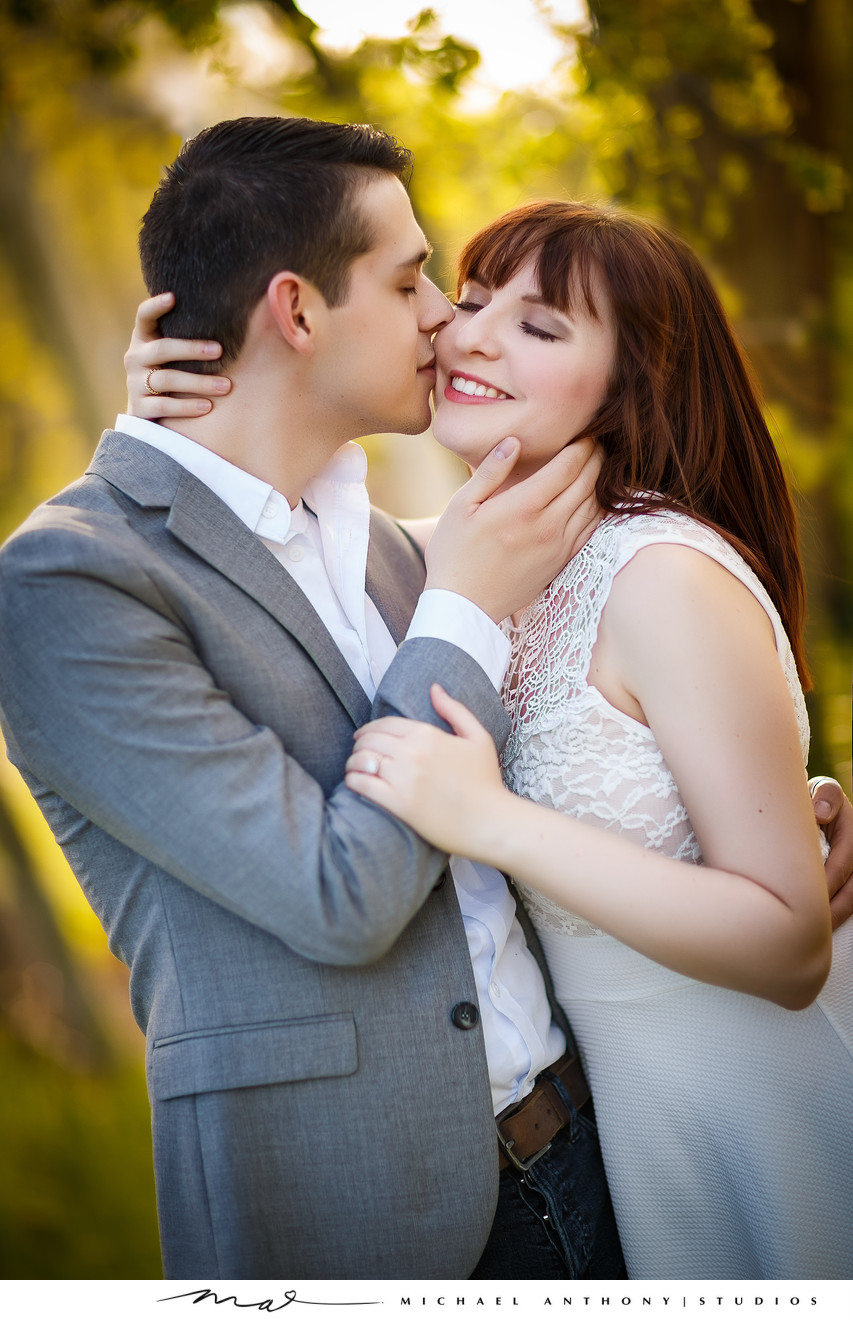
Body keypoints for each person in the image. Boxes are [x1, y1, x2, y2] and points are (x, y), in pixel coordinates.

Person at [126, 190, 853, 1281]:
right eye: (468, 301)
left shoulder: (661, 576)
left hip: (745, 1105)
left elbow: (792, 946)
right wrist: (174, 413)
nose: (469, 333)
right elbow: (271, 547)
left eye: (541, 325)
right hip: (621, 1128)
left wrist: (491, 819)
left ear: (634, 379)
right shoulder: (477, 564)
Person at [0, 118, 634, 1281]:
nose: (445, 314)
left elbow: (532, 782)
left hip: (586, 1164)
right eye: (408, 282)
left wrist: (747, 822)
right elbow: (341, 900)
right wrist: (462, 613)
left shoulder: (388, 547)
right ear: (296, 312)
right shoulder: (69, 582)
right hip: (357, 1227)